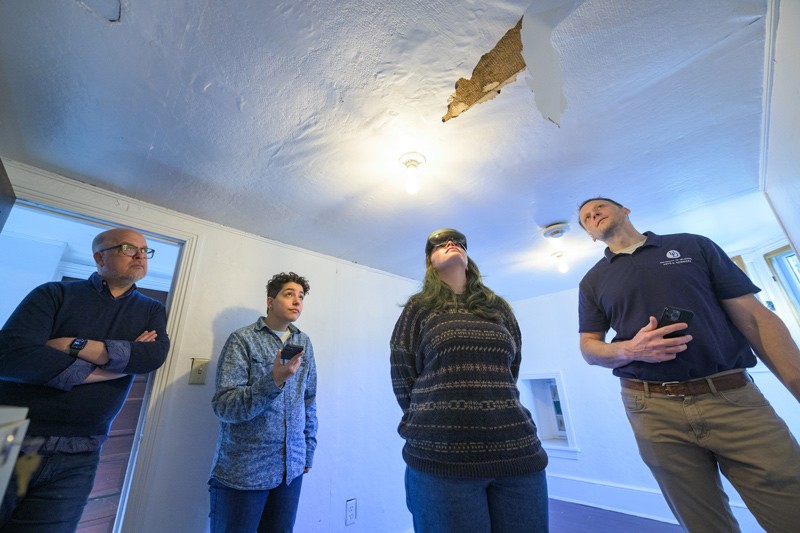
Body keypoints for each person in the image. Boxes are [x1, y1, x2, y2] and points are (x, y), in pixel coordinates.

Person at [577, 197, 800, 532]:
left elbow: (755, 318)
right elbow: (589, 349)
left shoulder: (692, 245)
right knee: (702, 523)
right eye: (585, 218)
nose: (592, 214)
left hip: (732, 397)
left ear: (626, 210)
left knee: (790, 504)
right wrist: (632, 349)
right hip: (651, 409)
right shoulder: (592, 281)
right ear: (590, 235)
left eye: (598, 207)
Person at [0, 227, 170, 531]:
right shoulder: (53, 293)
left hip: (80, 452)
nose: (141, 256)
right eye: (128, 249)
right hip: (10, 436)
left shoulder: (151, 309)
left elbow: (152, 357)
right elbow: (12, 357)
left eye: (145, 251)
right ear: (99, 257)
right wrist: (119, 363)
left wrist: (73, 345)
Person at [390, 228, 549, 533]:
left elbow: (509, 370)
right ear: (428, 261)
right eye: (439, 243)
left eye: (459, 242)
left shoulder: (498, 307)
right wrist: (428, 420)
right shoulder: (419, 308)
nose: (452, 243)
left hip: (517, 453)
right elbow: (403, 374)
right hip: (441, 459)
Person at [209, 272, 317, 533]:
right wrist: (273, 381)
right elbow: (225, 406)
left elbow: (309, 399)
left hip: (290, 470)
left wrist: (308, 450)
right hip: (245, 471)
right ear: (270, 301)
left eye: (301, 297)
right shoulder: (242, 340)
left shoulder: (304, 342)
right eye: (289, 294)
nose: (297, 301)